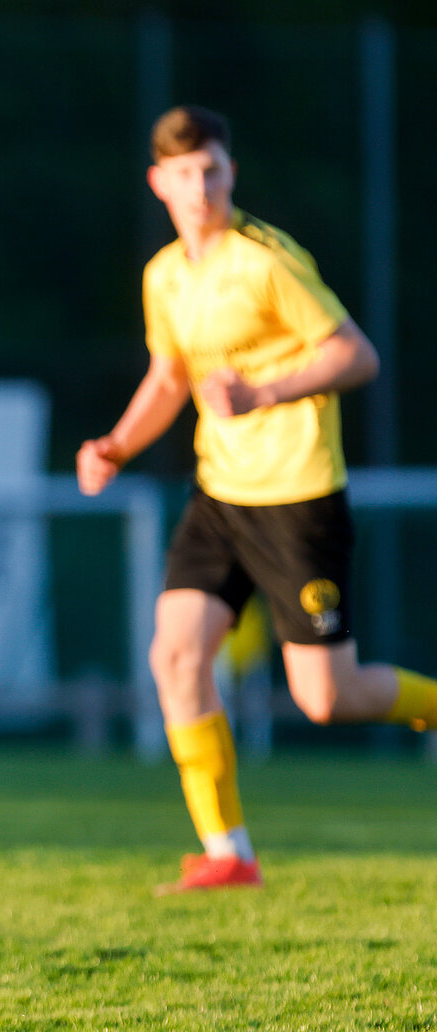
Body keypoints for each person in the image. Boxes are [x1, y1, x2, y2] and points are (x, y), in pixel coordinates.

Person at [78, 105, 437, 893]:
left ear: (230, 171)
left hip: (299, 495)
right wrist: (116, 445)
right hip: (220, 497)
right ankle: (229, 850)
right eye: (184, 174)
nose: (200, 186)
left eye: (212, 169)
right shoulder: (165, 274)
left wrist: (264, 390)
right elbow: (170, 377)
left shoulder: (267, 260)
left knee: (325, 697)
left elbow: (356, 354)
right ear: (159, 183)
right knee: (175, 654)